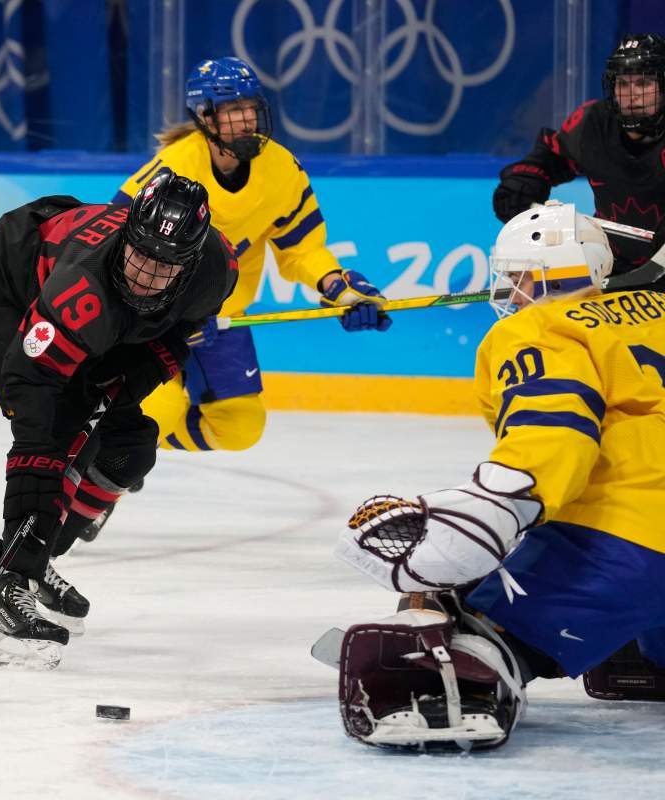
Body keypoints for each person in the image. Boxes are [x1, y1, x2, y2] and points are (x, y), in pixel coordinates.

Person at [330, 201, 665, 752]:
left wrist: (495, 503)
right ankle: (638, 644)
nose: (508, 290)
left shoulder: (540, 327)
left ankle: (475, 666)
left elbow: (555, 428)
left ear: (540, 276)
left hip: (633, 542)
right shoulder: (653, 307)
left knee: (479, 628)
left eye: (513, 277)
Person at [78, 57, 391, 544]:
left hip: (220, 319)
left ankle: (125, 451)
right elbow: (114, 244)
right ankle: (98, 485)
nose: (246, 119)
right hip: (152, 321)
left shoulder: (281, 169)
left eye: (251, 108)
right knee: (150, 411)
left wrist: (340, 287)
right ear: (205, 117)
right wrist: (154, 313)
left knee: (242, 425)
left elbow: (303, 248)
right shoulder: (173, 170)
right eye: (232, 109)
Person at [0, 168, 238, 668]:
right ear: (127, 235)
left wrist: (138, 374)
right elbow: (31, 385)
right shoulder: (80, 292)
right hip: (4, 295)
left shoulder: (216, 267)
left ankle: (41, 561)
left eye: (164, 268)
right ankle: (7, 589)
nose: (145, 278)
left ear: (190, 264)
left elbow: (181, 329)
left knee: (131, 449)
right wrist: (42, 450)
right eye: (140, 256)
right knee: (57, 436)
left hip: (88, 310)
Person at [493, 34, 665, 286]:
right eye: (623, 84)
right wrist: (525, 179)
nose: (632, 97)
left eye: (643, 83)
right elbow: (552, 158)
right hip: (610, 268)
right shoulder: (592, 123)